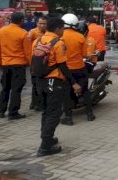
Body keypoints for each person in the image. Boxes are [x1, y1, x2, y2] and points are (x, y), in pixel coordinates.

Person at [36, 17, 82, 157]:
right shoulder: (58, 43)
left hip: (40, 82)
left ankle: (47, 138)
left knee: (46, 112)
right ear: (57, 28)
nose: (63, 31)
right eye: (62, 29)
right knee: (54, 114)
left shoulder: (38, 40)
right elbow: (62, 65)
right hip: (54, 82)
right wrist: (74, 83)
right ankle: (45, 147)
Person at [60, 13, 95, 125]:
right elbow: (85, 54)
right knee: (85, 91)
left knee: (66, 93)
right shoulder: (80, 36)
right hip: (80, 68)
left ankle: (69, 118)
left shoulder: (59, 36)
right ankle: (90, 114)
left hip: (66, 70)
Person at [0, 11, 31, 120]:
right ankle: (13, 112)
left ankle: (1, 111)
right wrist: (31, 65)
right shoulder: (23, 33)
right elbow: (28, 52)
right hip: (18, 65)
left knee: (5, 88)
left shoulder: (1, 31)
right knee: (16, 89)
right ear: (21, 20)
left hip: (6, 64)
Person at [28, 16, 48, 111]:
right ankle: (34, 103)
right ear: (37, 23)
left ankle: (38, 103)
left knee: (41, 84)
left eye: (44, 23)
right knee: (35, 84)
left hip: (44, 62)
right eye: (40, 23)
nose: (42, 25)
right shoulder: (32, 33)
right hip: (34, 61)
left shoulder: (48, 33)